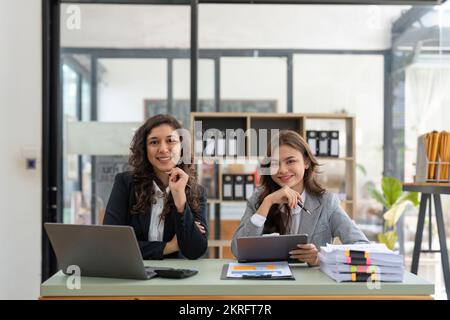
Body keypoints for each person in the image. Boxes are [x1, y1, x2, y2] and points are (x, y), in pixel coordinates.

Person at [231, 130, 368, 266]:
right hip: (269, 283)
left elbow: (362, 245)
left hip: (309, 286)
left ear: (306, 162)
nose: (282, 170)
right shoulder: (258, 200)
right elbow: (238, 251)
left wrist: (320, 258)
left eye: (290, 161)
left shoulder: (327, 202)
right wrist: (268, 202)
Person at [103, 114, 208, 260]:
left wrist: (180, 199)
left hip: (176, 278)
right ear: (144, 150)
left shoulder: (196, 191)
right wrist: (168, 247)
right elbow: (111, 242)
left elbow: (195, 250)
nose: (163, 149)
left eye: (170, 141)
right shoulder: (125, 183)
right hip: (133, 276)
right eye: (154, 142)